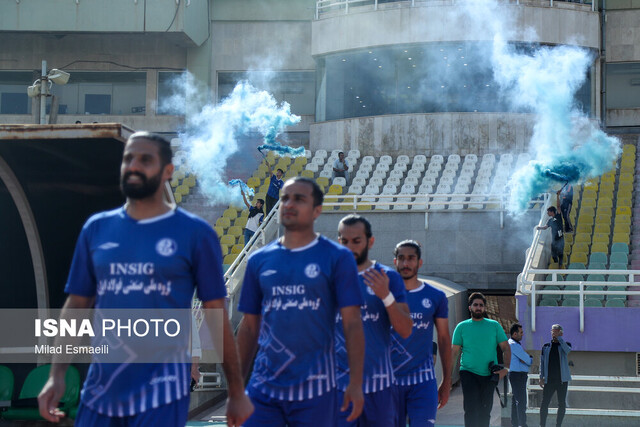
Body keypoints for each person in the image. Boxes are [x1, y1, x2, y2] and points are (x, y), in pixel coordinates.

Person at [37, 132, 253, 426]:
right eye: (128, 158)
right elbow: (76, 304)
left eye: (145, 159)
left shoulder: (195, 234)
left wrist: (236, 391)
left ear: (168, 171)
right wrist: (56, 374)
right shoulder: (96, 229)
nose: (134, 165)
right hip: (101, 389)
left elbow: (216, 315)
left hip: (161, 393)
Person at [236, 176, 365, 426]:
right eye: (285, 198)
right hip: (264, 388)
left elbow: (352, 325)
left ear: (317, 210)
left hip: (317, 388)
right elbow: (249, 327)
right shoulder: (258, 261)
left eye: (299, 199)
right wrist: (236, 387)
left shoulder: (337, 258)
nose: (289, 204)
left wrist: (356, 383)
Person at [336, 215, 412, 426]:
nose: (350, 246)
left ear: (370, 241)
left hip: (379, 390)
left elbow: (405, 329)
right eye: (344, 241)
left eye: (356, 241)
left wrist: (386, 296)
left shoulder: (388, 277)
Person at [392, 240, 452, 427]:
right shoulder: (382, 296)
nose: (406, 263)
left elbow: (443, 339)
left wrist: (446, 381)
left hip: (423, 383)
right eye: (401, 258)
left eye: (411, 258)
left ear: (420, 262)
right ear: (395, 262)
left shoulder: (436, 296)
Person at [451, 292, 511, 427]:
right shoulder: (461, 327)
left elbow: (506, 348)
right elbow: (454, 353)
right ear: (470, 307)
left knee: (485, 411)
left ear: (484, 308)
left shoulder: (494, 325)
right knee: (471, 410)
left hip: (489, 375)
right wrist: (448, 378)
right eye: (475, 305)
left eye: (481, 305)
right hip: (468, 373)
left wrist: (505, 369)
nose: (478, 307)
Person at [539, 324, 572, 427]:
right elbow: (542, 362)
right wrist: (541, 377)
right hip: (549, 380)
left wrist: (560, 339)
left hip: (562, 380)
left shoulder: (565, 344)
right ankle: (542, 425)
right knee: (544, 403)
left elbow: (567, 350)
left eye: (556, 331)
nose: (554, 333)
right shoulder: (546, 347)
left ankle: (558, 425)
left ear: (561, 333)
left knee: (561, 404)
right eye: (553, 331)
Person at [508, 323, 532, 427]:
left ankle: (515, 424)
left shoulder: (514, 344)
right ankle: (522, 424)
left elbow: (524, 359)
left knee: (516, 401)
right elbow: (528, 360)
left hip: (517, 375)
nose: (523, 334)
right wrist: (529, 358)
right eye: (521, 333)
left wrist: (525, 359)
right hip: (517, 376)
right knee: (521, 401)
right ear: (514, 334)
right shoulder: (513, 344)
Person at [536, 200, 565, 268]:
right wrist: (539, 228)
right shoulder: (550, 220)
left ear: (552, 212)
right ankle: (556, 264)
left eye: (548, 211)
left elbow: (558, 207)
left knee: (560, 253)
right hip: (554, 240)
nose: (547, 213)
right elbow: (545, 227)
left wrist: (557, 196)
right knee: (553, 254)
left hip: (560, 238)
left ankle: (560, 265)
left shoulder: (558, 216)